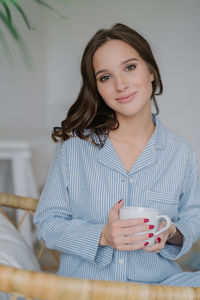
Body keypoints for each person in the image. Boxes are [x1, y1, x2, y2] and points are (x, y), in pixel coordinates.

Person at [34, 23, 200, 286]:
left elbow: (192, 221)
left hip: (157, 289)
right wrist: (102, 236)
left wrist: (170, 232)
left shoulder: (180, 153)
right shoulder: (73, 149)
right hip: (85, 290)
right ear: (97, 88)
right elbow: (48, 223)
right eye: (105, 77)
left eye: (130, 67)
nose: (121, 85)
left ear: (151, 71)